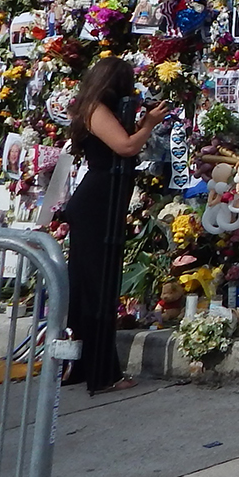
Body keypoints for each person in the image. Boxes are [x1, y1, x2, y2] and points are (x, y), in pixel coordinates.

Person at [61, 57, 171, 396]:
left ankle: (81, 365)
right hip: (97, 205)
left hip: (102, 204)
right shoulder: (95, 108)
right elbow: (125, 146)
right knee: (97, 289)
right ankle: (103, 372)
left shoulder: (95, 107)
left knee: (89, 288)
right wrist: (149, 124)